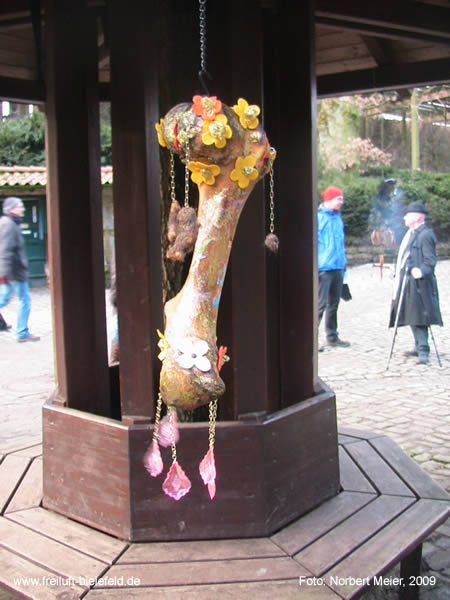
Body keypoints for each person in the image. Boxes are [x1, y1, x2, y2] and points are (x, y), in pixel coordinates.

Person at [389, 201, 442, 365]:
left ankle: (423, 350)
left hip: (420, 284)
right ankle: (418, 346)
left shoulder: (425, 235)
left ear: (417, 217)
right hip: (408, 281)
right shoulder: (411, 233)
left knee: (419, 316)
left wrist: (420, 271)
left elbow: (430, 261)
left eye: (407, 215)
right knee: (411, 314)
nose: (404, 218)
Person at [0, 196, 40, 342]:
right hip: (14, 273)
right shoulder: (8, 225)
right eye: (19, 206)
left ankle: (22, 331)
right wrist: (3, 274)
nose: (22, 208)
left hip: (13, 272)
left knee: (5, 298)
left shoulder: (10, 223)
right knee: (24, 301)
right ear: (11, 209)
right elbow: (5, 250)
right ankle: (22, 333)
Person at [318, 185, 350, 349]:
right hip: (324, 268)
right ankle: (312, 338)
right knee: (320, 305)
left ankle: (332, 336)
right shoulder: (318, 218)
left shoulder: (338, 218)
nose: (341, 202)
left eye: (342, 198)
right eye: (338, 198)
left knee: (334, 305)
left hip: (338, 267)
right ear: (329, 200)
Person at [369, 178, 406, 247]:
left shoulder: (393, 196)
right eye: (391, 185)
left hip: (391, 223)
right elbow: (377, 212)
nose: (392, 187)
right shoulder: (381, 198)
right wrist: (377, 226)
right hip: (382, 222)